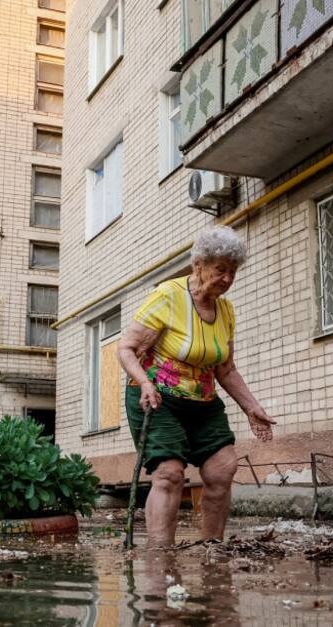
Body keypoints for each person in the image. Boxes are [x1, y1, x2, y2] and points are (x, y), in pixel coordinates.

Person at [118, 225, 275, 548]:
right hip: (158, 398)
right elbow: (126, 349)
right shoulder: (168, 296)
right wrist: (146, 383)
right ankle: (160, 557)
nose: (228, 279)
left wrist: (252, 407)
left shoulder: (226, 311)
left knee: (223, 469)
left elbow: (225, 368)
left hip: (202, 401)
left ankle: (212, 549)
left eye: (233, 272)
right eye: (221, 270)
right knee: (170, 474)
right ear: (198, 265)